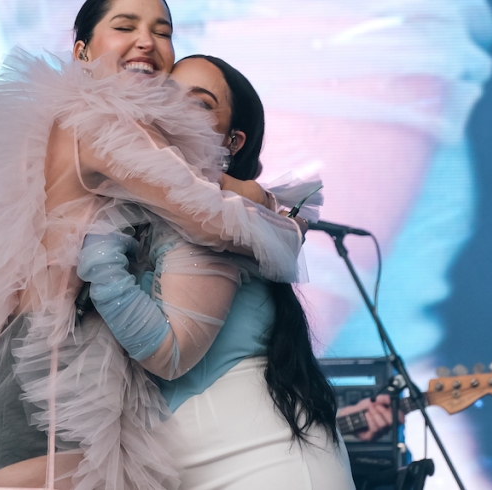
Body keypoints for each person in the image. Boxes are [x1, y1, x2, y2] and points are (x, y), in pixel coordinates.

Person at [0, 0, 305, 490]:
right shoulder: (95, 123)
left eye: (162, 32)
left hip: (67, 379)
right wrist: (277, 211)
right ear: (82, 52)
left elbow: (188, 185)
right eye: (125, 27)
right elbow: (204, 213)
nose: (146, 41)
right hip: (49, 377)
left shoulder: (125, 133)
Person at [75, 54, 353, 489]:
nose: (175, 109)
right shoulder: (172, 208)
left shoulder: (219, 220)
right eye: (167, 94)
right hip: (187, 462)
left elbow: (169, 355)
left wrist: (99, 252)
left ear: (233, 141)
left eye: (201, 103)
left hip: (262, 464)